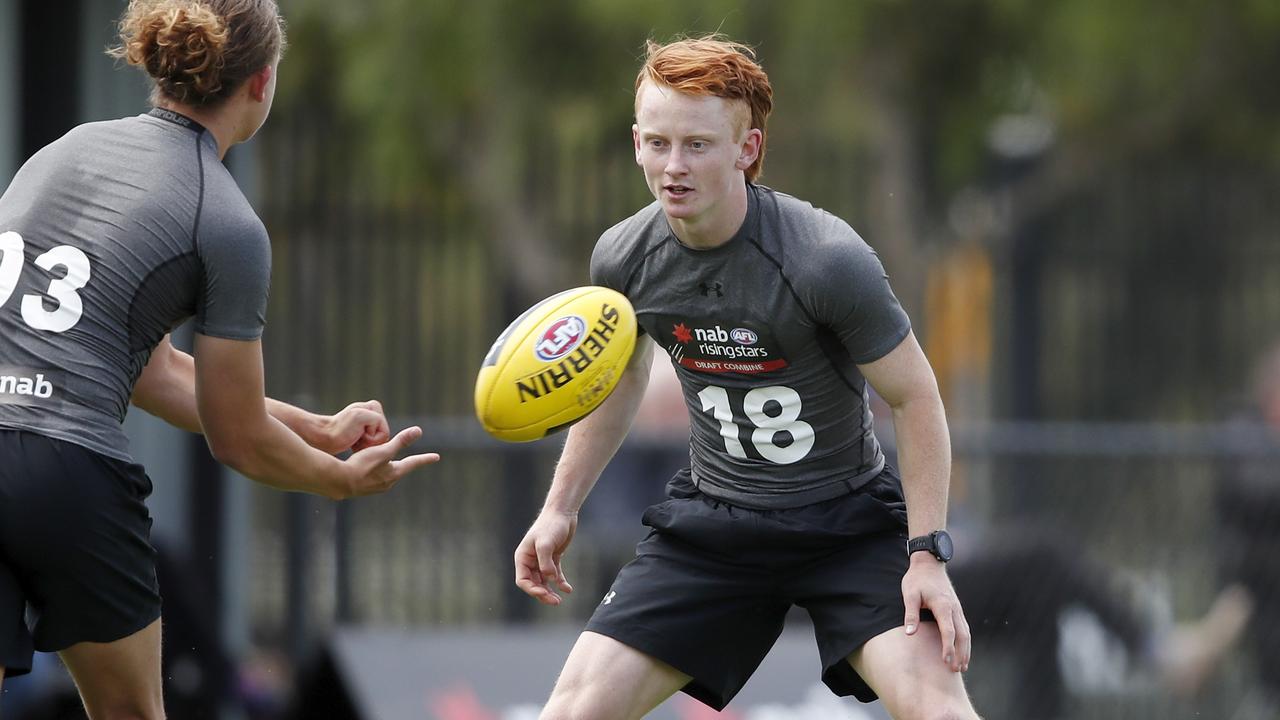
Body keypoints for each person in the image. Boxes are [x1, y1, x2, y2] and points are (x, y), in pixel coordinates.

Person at [514, 36, 978, 719]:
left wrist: (927, 554)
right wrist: (560, 506)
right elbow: (618, 382)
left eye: (698, 145)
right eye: (658, 143)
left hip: (846, 525)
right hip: (716, 527)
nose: (674, 166)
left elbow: (915, 396)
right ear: (636, 141)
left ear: (748, 150)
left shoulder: (825, 260)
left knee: (938, 710)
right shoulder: (622, 257)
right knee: (569, 713)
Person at [0, 1, 439, 717]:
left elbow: (151, 369)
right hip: (67, 470)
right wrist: (338, 481)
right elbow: (235, 437)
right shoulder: (224, 217)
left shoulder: (67, 149)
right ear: (262, 83)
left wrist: (314, 429)